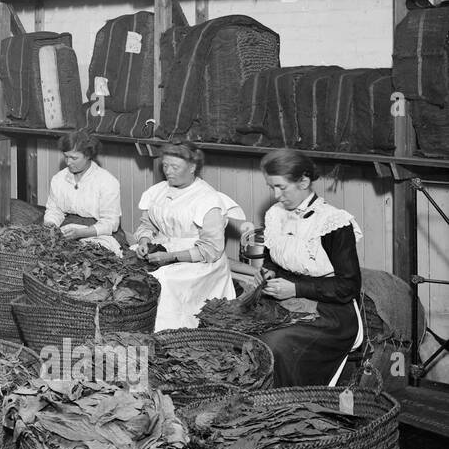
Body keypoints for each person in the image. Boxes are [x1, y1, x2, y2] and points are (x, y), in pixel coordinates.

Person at [237, 150, 364, 387]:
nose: (276, 195)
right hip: (282, 300)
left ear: (304, 182)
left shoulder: (333, 223)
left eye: (281, 187)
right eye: (271, 187)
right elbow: (273, 257)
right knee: (230, 330)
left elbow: (348, 287)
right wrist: (268, 271)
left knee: (273, 346)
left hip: (330, 311)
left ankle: (282, 408)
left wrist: (296, 289)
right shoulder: (275, 214)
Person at [131, 142, 246, 331]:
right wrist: (144, 241)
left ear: (192, 167)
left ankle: (166, 333)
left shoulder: (207, 199)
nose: (168, 171)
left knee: (161, 279)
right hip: (162, 249)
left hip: (199, 262)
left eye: (175, 167)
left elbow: (211, 250)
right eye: (165, 165)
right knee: (127, 268)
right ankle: (133, 327)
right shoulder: (158, 191)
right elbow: (147, 224)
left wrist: (170, 257)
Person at [43, 130, 123, 255]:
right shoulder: (59, 179)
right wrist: (51, 225)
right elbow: (55, 210)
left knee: (91, 256)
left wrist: (81, 233)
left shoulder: (107, 182)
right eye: (66, 156)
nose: (68, 162)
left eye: (74, 158)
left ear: (88, 155)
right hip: (67, 227)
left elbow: (110, 223)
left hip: (97, 232)